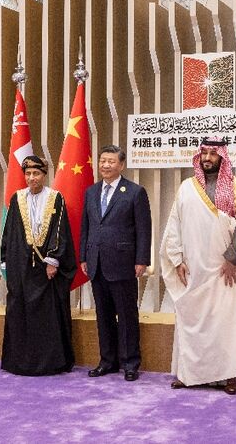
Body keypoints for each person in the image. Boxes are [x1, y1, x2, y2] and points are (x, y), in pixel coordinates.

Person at [159, 138, 236, 394]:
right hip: (194, 270)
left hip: (226, 272)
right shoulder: (187, 188)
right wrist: (176, 260)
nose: (208, 158)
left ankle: (230, 376)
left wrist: (232, 259)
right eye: (204, 153)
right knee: (192, 322)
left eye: (213, 153)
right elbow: (174, 227)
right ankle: (189, 374)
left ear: (223, 158)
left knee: (226, 326)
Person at [80, 145, 152, 382]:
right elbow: (86, 228)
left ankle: (130, 363)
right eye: (102, 161)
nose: (105, 165)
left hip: (123, 263)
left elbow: (144, 229)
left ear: (121, 165)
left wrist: (141, 259)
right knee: (103, 316)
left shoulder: (134, 192)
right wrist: (83, 256)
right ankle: (107, 361)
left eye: (111, 161)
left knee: (127, 315)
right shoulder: (91, 192)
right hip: (96, 263)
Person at [0, 156, 76, 376]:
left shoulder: (55, 198)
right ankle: (20, 362)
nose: (32, 178)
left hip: (46, 270)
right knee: (20, 312)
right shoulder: (17, 198)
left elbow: (60, 231)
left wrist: (53, 260)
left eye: (36, 174)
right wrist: (6, 259)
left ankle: (49, 363)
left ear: (44, 175)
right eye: (28, 174)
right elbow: (10, 232)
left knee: (46, 316)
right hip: (21, 268)